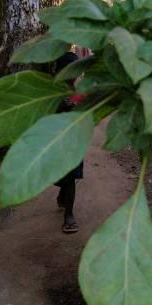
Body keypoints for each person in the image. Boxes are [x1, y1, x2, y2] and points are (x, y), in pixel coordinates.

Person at [53, 52, 85, 234]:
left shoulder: (79, 92)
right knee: (62, 174)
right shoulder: (51, 92)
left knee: (71, 175)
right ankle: (62, 194)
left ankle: (69, 215)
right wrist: (60, 107)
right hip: (56, 141)